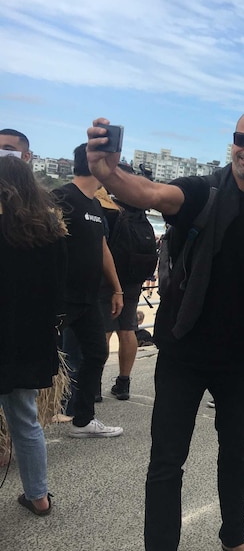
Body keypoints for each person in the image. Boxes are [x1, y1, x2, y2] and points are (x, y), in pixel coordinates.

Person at [86, 110, 244, 551]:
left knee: (236, 454)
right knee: (166, 461)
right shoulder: (203, 192)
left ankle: (235, 539)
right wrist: (109, 171)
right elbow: (149, 192)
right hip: (184, 351)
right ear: (233, 143)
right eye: (242, 139)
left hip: (241, 359)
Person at [0, 154, 67, 516]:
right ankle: (38, 496)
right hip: (28, 340)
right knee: (25, 420)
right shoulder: (49, 230)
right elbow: (59, 290)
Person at [53, 143, 124, 438]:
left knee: (97, 353)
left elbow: (102, 247)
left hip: (88, 298)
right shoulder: (61, 198)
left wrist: (117, 289)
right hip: (58, 299)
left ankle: (82, 419)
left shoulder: (95, 203)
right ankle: (23, 422)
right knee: (38, 359)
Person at [102, 162, 158, 400]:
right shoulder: (138, 208)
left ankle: (93, 384)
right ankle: (123, 382)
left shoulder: (109, 207)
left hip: (108, 278)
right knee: (128, 330)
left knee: (103, 331)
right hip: (133, 280)